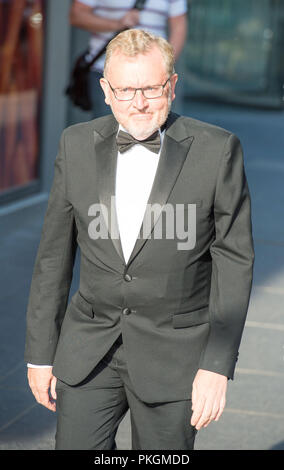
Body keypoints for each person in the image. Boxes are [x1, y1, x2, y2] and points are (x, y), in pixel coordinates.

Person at [25, 29, 254, 450]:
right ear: (105, 91)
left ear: (171, 85)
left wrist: (217, 366)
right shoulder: (74, 144)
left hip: (177, 356)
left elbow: (234, 263)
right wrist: (40, 353)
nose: (139, 103)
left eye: (150, 88)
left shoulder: (218, 150)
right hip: (89, 351)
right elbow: (53, 258)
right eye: (126, 90)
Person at [69, 0, 188, 117]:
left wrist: (164, 68)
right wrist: (118, 24)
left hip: (152, 76)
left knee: (151, 132)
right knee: (109, 131)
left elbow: (179, 27)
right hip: (107, 72)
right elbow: (77, 15)